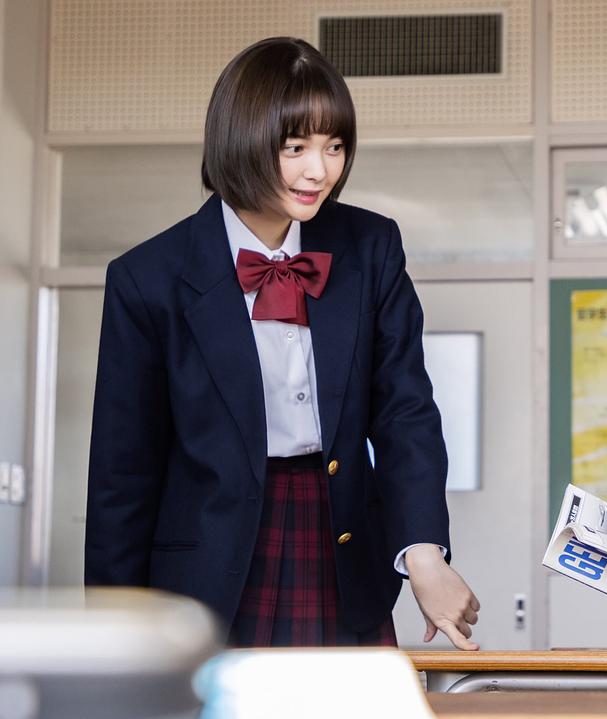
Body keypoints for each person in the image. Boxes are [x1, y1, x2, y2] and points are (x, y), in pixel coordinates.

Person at [84, 37, 481, 650]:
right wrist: (112, 631)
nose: (319, 170)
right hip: (204, 569)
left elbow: (404, 410)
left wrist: (423, 552)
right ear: (239, 139)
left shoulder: (370, 247)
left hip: (340, 543)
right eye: (295, 147)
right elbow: (123, 472)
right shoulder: (148, 277)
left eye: (334, 146)